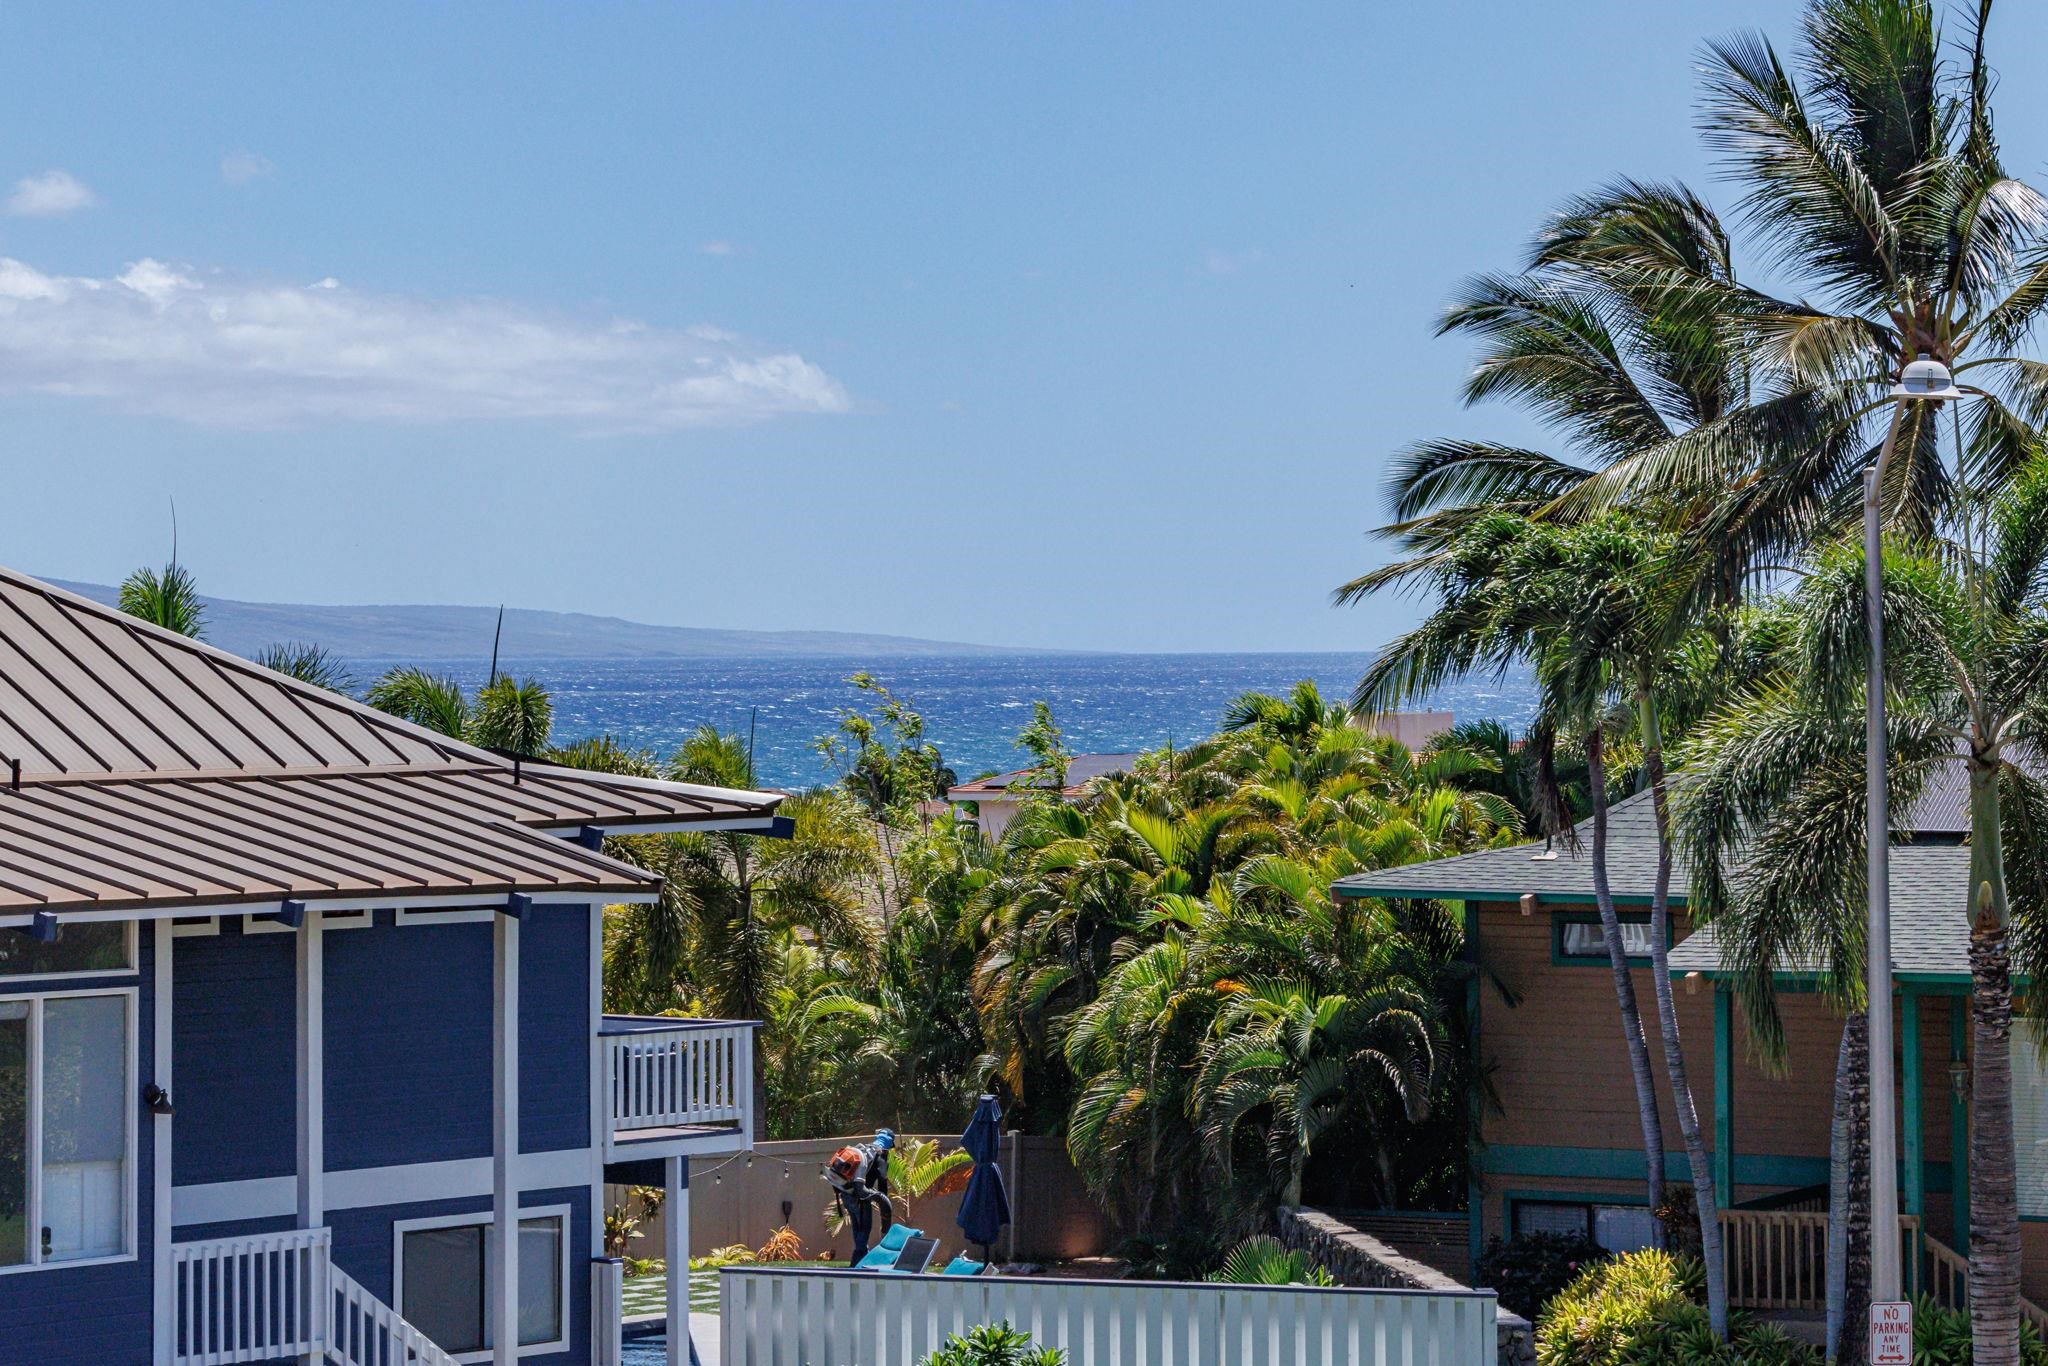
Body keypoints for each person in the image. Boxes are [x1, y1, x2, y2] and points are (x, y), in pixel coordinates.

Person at [825, 1129, 896, 1264]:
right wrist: (882, 1200)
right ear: (889, 1144)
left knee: (857, 1229)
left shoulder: (865, 1150)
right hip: (860, 1197)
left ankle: (859, 1260)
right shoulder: (881, 1156)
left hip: (846, 1195)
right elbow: (882, 1180)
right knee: (864, 1229)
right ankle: (858, 1264)